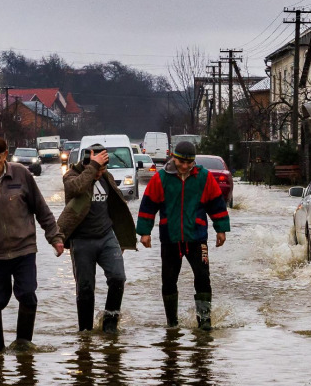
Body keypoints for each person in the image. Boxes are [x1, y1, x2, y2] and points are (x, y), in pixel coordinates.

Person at [0, 136, 65, 352]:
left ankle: (23, 346)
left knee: (27, 295)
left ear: (6, 155)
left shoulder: (22, 175)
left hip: (23, 250)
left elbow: (41, 209)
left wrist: (55, 237)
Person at [135, 141, 230, 330]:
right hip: (170, 238)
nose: (185, 166)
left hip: (197, 238)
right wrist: (145, 232)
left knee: (203, 279)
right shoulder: (160, 178)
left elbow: (216, 204)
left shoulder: (204, 177)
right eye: (181, 162)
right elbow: (148, 205)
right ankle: (172, 323)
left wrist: (221, 229)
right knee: (169, 281)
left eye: (189, 163)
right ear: (173, 157)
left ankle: (204, 322)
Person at [58, 144, 137, 334]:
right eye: (97, 168)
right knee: (85, 288)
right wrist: (92, 167)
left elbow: (117, 208)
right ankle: (84, 332)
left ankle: (110, 325)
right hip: (82, 240)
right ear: (87, 163)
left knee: (118, 278)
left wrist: (122, 239)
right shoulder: (72, 176)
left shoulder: (106, 177)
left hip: (106, 237)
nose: (100, 173)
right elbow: (75, 189)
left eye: (103, 169)